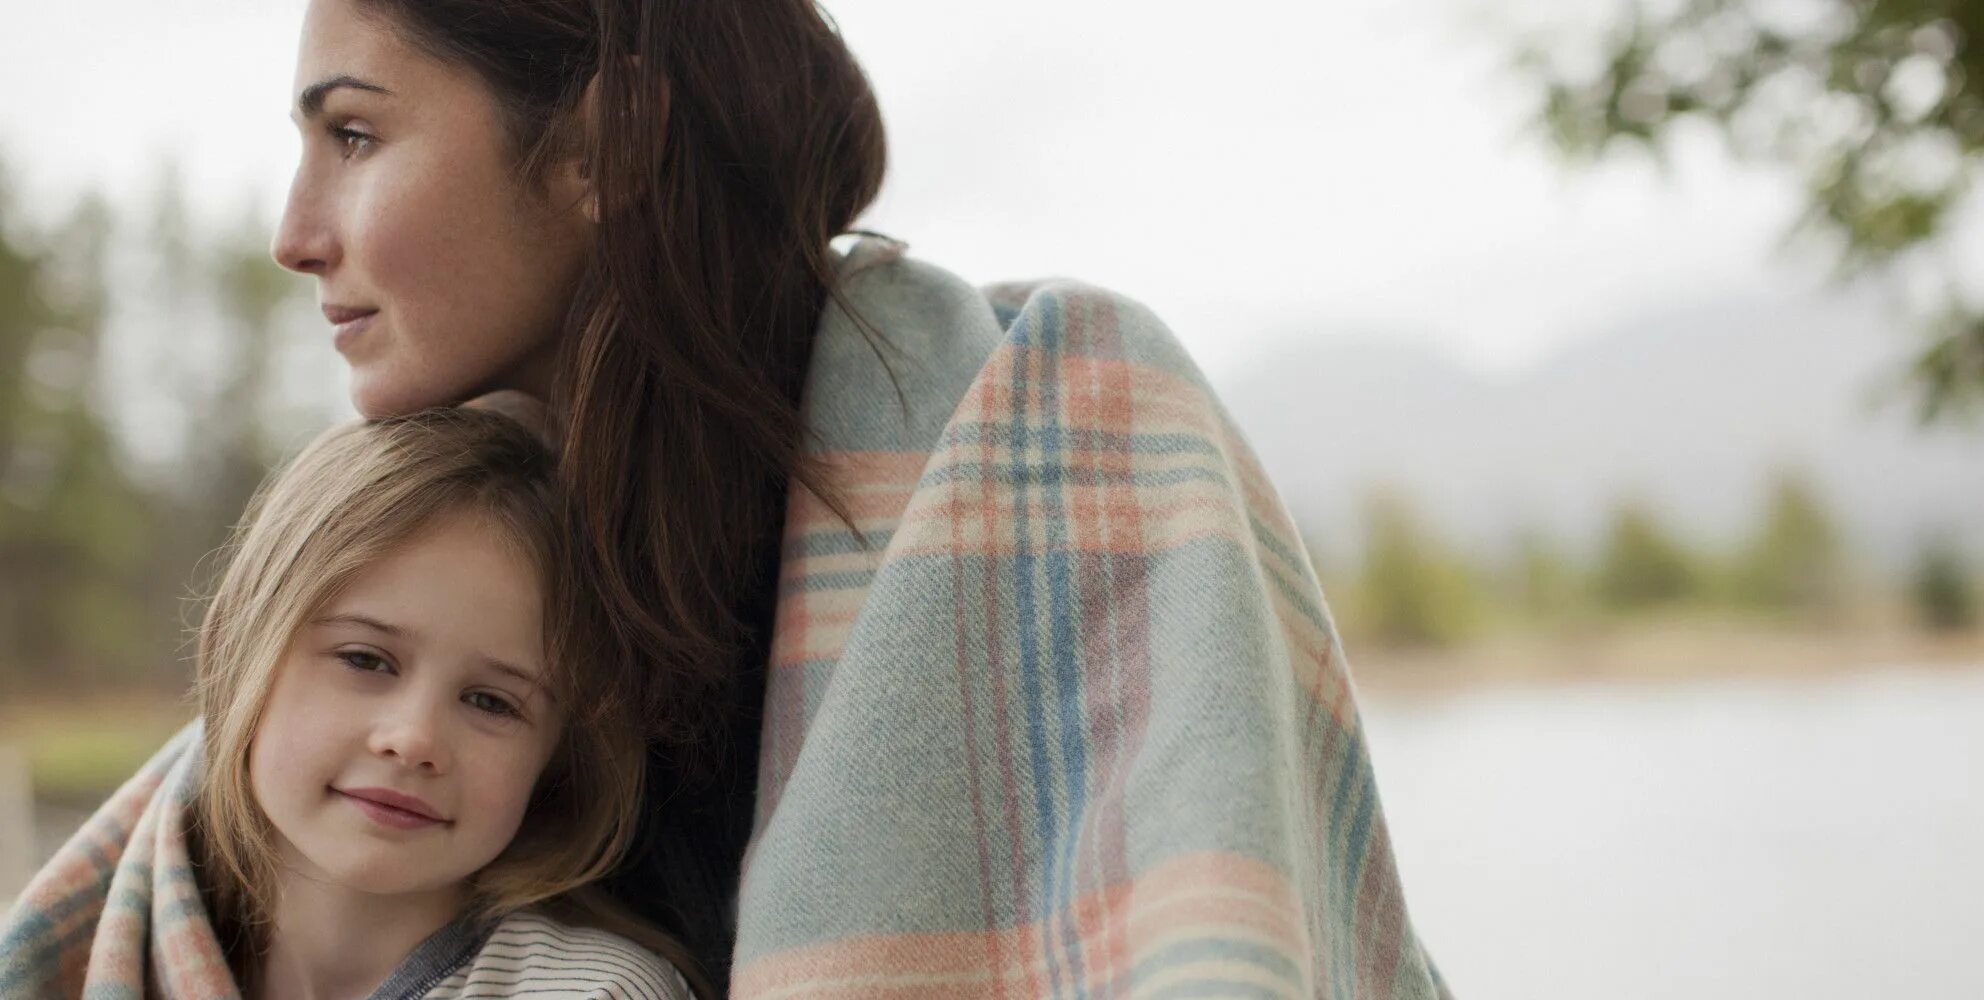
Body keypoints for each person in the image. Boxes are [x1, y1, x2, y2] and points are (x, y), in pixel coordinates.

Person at [271, 0, 1453, 996]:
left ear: (602, 148)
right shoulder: (431, 558)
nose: (295, 233)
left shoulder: (1060, 410)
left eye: (357, 136)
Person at [0, 410, 696, 999]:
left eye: (491, 702)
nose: (413, 737)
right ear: (239, 655)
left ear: (556, 758)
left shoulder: (594, 992)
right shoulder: (116, 944)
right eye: (366, 659)